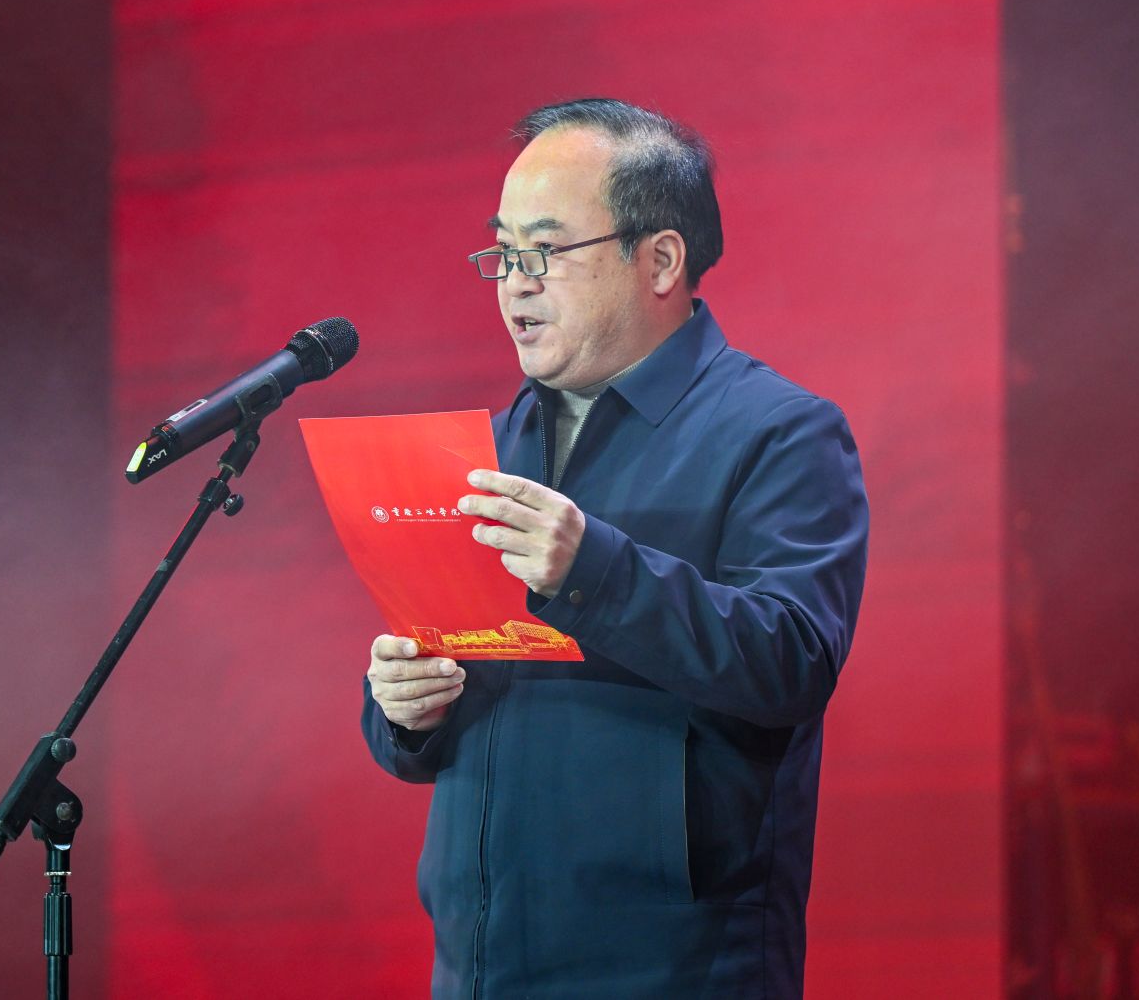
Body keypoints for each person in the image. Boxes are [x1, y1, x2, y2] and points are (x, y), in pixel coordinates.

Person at [362, 99, 868, 998]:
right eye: (503, 253)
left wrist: (591, 569)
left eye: (545, 252)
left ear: (660, 260)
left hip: (673, 969)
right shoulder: (487, 448)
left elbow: (793, 660)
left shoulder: (779, 432)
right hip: (477, 966)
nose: (514, 284)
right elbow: (420, 708)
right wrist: (403, 708)